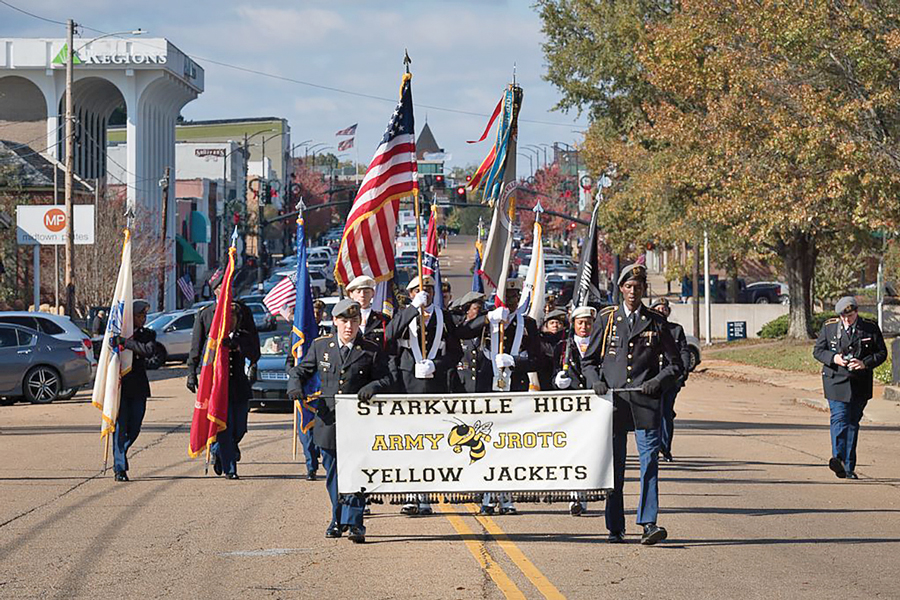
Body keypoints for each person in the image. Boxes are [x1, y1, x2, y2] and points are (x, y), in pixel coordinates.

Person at [583, 264, 683, 545]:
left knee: (649, 462)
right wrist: (595, 381)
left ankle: (648, 522)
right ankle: (615, 526)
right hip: (614, 403)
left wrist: (659, 381)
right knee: (615, 467)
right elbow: (588, 361)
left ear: (642, 290)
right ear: (621, 288)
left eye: (638, 286)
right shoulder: (607, 319)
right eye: (628, 286)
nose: (633, 291)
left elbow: (676, 364)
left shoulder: (656, 321)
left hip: (646, 403)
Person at [287, 299, 392, 543]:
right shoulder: (321, 346)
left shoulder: (371, 349)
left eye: (354, 321)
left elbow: (389, 378)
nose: (349, 326)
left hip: (359, 423)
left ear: (359, 323)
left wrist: (373, 386)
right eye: (344, 321)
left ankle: (355, 522)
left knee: (356, 472)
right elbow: (301, 371)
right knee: (334, 473)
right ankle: (337, 519)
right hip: (329, 420)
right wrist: (295, 386)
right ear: (335, 321)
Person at [457, 278, 542, 515]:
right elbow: (462, 331)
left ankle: (506, 496)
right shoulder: (488, 322)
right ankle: (486, 495)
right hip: (487, 389)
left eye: (515, 297)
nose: (512, 301)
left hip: (513, 389)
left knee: (508, 443)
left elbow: (538, 359)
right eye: (508, 297)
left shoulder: (529, 324)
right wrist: (487, 318)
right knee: (485, 444)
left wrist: (515, 360)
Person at [385, 275, 462, 515]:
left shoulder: (443, 316)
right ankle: (410, 495)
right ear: (411, 293)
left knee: (430, 440)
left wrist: (438, 365)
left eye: (428, 289)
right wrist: (412, 309)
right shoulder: (404, 313)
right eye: (420, 290)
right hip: (408, 381)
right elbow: (390, 335)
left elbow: (456, 351)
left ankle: (426, 496)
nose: (425, 293)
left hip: (435, 383)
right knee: (411, 441)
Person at [186, 271, 261, 480]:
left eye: (230, 287)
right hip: (216, 383)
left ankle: (219, 451)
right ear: (216, 290)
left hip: (237, 380)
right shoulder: (206, 314)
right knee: (225, 427)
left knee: (240, 428)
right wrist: (191, 372)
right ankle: (231, 469)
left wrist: (237, 345)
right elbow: (196, 347)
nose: (227, 291)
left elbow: (254, 348)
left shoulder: (242, 312)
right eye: (222, 287)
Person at [812, 296, 886, 480]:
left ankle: (848, 466)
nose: (846, 320)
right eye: (843, 317)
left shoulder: (869, 327)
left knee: (853, 422)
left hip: (859, 382)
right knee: (839, 418)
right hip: (835, 381)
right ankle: (838, 458)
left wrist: (864, 363)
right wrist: (834, 358)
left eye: (850, 316)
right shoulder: (829, 327)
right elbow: (818, 351)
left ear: (856, 312)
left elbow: (881, 352)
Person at [552, 305, 596, 515]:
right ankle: (573, 496)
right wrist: (557, 380)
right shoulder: (563, 346)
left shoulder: (601, 345)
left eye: (588, 323)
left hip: (592, 406)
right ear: (574, 324)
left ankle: (584, 494)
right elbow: (550, 374)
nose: (584, 327)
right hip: (570, 407)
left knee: (588, 452)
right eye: (580, 323)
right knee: (572, 452)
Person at [110, 300, 158, 482]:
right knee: (120, 428)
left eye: (144, 316)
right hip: (121, 386)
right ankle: (120, 467)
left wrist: (126, 343)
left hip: (138, 387)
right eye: (139, 316)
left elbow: (148, 351)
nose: (143, 319)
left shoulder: (148, 334)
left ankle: (121, 450)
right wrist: (118, 341)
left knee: (135, 428)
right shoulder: (118, 334)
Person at [649, 298, 692, 462]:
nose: (661, 310)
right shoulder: (648, 328)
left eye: (664, 308)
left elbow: (684, 352)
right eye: (658, 308)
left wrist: (683, 372)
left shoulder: (676, 330)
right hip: (651, 379)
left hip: (670, 380)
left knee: (667, 413)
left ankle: (665, 448)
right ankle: (653, 447)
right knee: (652, 414)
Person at [448, 291, 486, 393]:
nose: (479, 312)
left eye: (481, 308)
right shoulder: (458, 330)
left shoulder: (485, 330)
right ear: (467, 310)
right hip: (461, 385)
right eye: (475, 308)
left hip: (483, 385)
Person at [346, 275, 389, 348]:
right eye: (358, 292)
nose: (362, 295)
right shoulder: (343, 318)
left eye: (366, 292)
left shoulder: (382, 319)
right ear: (351, 294)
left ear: (373, 294)